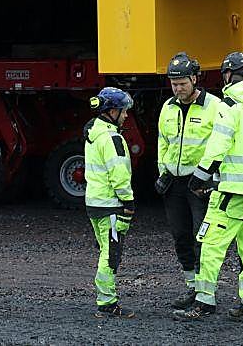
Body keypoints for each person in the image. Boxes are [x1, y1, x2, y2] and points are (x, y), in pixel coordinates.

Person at [177, 52, 243, 321]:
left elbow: (217, 146)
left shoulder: (228, 106)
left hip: (232, 190)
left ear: (229, 75)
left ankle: (204, 301)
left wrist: (198, 178)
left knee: (210, 244)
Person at [154, 53, 224, 309]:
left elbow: (222, 145)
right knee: (180, 236)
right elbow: (163, 141)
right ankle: (192, 289)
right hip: (174, 182)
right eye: (174, 84)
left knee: (202, 239)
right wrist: (163, 171)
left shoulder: (215, 107)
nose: (178, 88)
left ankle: (207, 293)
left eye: (182, 83)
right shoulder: (168, 107)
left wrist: (210, 179)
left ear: (195, 79)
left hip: (200, 184)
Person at [83, 86, 137, 319]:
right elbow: (119, 174)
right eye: (123, 111)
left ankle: (106, 300)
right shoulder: (112, 138)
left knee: (106, 249)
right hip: (110, 204)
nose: (126, 115)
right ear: (112, 111)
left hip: (94, 202)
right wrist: (129, 201)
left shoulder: (94, 133)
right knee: (110, 254)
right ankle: (107, 303)